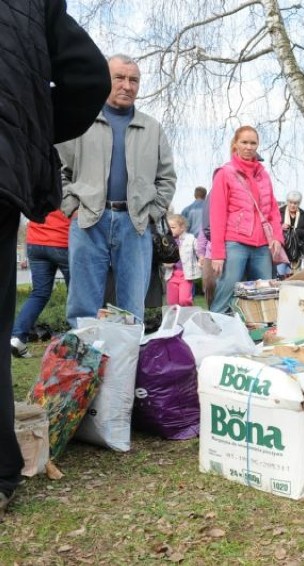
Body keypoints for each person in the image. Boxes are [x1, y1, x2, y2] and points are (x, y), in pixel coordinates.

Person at [0, 0, 111, 519]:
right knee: (49, 293)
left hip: (35, 210)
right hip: (39, 217)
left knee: (52, 295)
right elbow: (88, 76)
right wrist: (31, 126)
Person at [58, 53, 177, 327]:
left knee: (132, 304)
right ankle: (86, 367)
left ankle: (125, 366)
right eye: (119, 78)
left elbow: (167, 177)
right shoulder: (81, 120)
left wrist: (151, 214)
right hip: (88, 221)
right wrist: (72, 207)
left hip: (135, 225)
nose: (127, 85)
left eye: (133, 80)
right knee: (83, 304)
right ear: (105, 80)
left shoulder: (152, 128)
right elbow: (58, 168)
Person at [208, 126, 284, 313]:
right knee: (226, 293)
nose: (249, 147)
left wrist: (277, 237)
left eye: (253, 143)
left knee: (265, 296)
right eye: (244, 142)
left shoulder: (264, 174)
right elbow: (217, 215)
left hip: (262, 246)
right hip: (235, 243)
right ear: (235, 144)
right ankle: (213, 333)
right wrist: (218, 253)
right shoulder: (224, 173)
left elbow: (273, 210)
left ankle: (262, 336)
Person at [11, 211, 73, 359]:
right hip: (62, 240)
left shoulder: (35, 186)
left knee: (39, 293)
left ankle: (17, 337)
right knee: (77, 294)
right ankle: (80, 341)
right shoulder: (66, 186)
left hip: (35, 241)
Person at [164, 214, 201, 307]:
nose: (170, 229)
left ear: (182, 228)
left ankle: (187, 315)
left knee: (184, 300)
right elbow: (162, 255)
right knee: (172, 303)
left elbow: (199, 250)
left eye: (173, 227)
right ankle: (175, 320)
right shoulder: (166, 240)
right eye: (168, 227)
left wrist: (201, 258)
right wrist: (165, 262)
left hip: (185, 276)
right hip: (171, 276)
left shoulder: (190, 239)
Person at [277, 190, 304, 278]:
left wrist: (295, 231)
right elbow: (273, 228)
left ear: (299, 203)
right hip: (282, 251)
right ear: (287, 202)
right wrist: (280, 227)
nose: (292, 205)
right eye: (290, 202)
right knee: (281, 276)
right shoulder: (279, 212)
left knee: (295, 278)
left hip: (297, 253)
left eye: (295, 203)